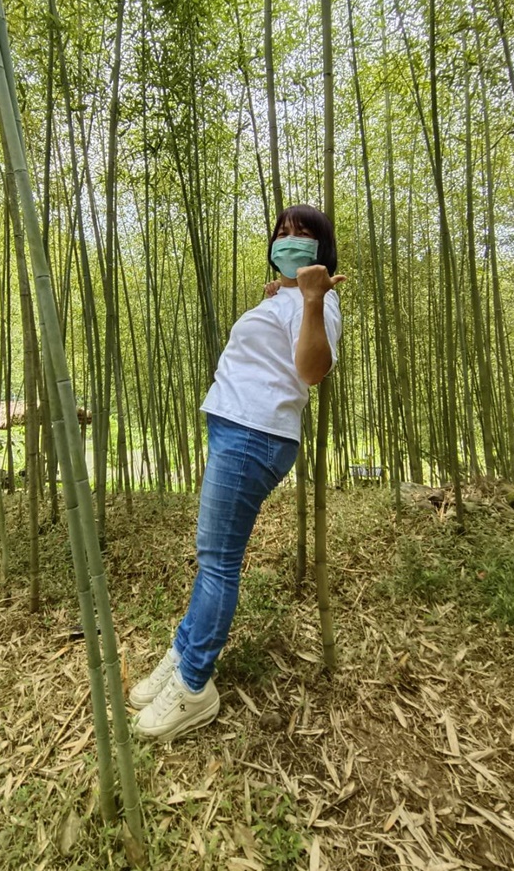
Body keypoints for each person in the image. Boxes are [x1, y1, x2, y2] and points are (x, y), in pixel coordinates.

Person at [130, 204, 345, 742]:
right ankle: (181, 653)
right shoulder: (285, 298)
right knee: (212, 556)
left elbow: (312, 371)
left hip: (256, 433)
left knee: (219, 562)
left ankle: (195, 684)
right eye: (283, 232)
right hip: (237, 427)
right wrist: (287, 295)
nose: (289, 240)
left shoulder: (322, 300)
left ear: (321, 250)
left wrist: (314, 298)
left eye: (303, 234)